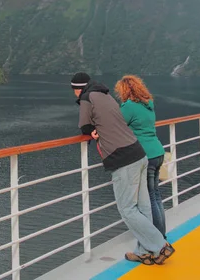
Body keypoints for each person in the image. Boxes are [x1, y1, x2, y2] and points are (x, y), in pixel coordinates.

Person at [71, 72, 174, 266]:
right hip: (140, 154)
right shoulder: (105, 94)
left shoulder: (86, 97)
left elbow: (84, 126)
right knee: (144, 206)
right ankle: (145, 252)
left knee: (127, 208)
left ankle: (160, 245)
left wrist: (91, 131)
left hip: (123, 159)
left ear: (77, 88)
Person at [115, 75, 166, 240]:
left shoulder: (129, 107)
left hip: (145, 155)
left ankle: (156, 239)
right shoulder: (148, 105)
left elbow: (116, 124)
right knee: (155, 195)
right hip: (158, 151)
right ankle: (161, 235)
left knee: (148, 198)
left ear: (124, 90)